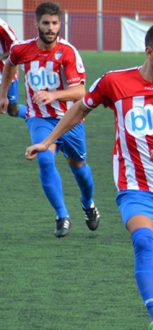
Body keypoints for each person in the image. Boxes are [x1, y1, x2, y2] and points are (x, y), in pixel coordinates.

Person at [25, 23, 153, 330]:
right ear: (150, 52)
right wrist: (48, 141)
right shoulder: (115, 81)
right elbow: (81, 107)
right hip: (135, 186)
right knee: (143, 242)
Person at [0, 2, 100, 238]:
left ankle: (88, 204)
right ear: (37, 24)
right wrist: (3, 94)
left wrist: (53, 94)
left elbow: (81, 92)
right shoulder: (21, 49)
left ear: (60, 24)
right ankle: (62, 215)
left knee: (79, 167)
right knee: (45, 158)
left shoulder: (68, 52)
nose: (50, 28)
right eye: (46, 23)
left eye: (55, 23)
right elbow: (9, 65)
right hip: (39, 118)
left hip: (70, 119)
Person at [0, 18, 26, 119]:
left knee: (12, 110)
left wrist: (2, 57)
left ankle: (35, 115)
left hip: (6, 68)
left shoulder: (1, 26)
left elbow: (15, 47)